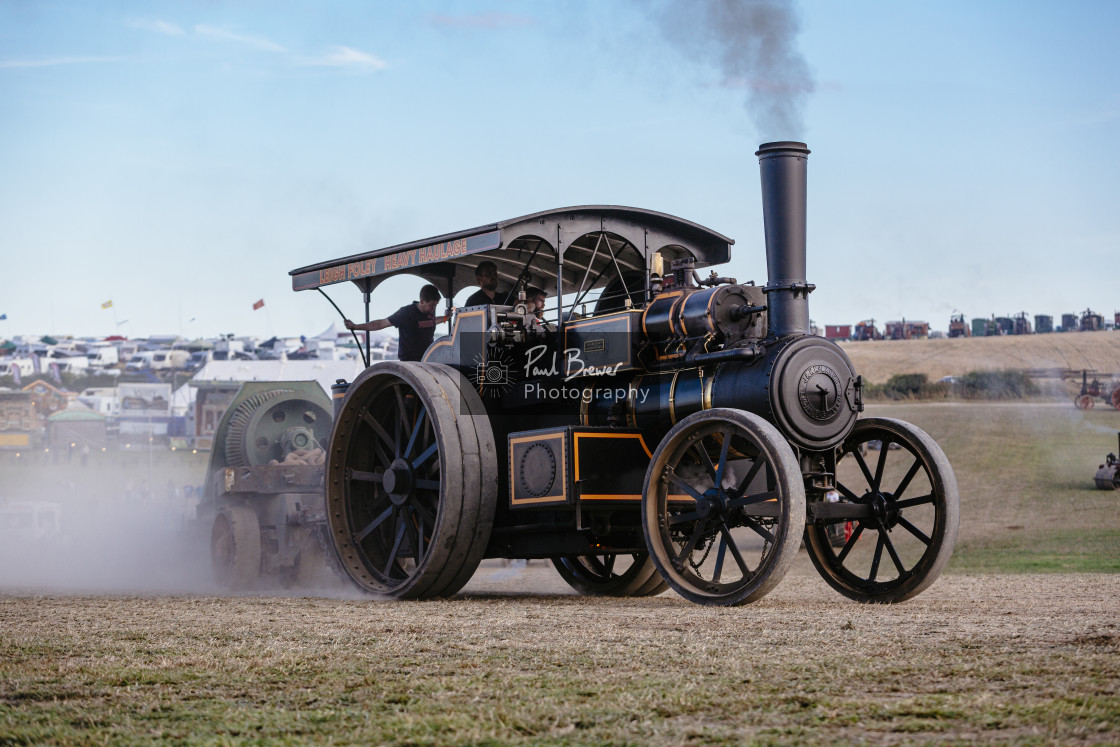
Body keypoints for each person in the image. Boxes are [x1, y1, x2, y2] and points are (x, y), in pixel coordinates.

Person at [345, 284, 449, 362]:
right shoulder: (406, 313)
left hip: (428, 357)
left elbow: (432, 322)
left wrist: (446, 318)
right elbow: (381, 323)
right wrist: (355, 326)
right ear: (421, 301)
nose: (434, 308)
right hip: (410, 361)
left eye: (436, 305)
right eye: (432, 305)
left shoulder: (430, 310)